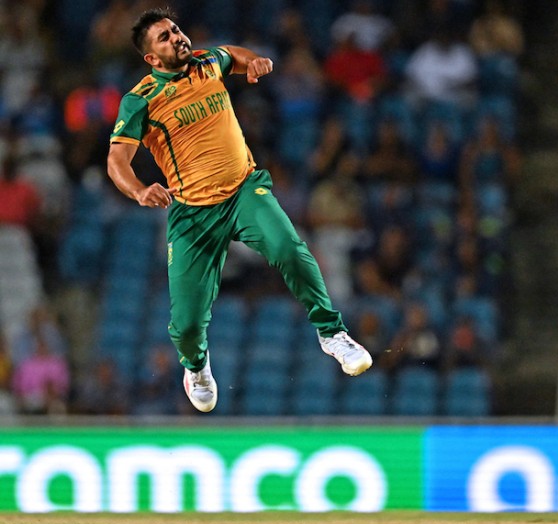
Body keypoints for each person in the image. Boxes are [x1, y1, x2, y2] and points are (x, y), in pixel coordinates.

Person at [106, 8, 372, 413]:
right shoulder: (140, 100)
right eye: (164, 37)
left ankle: (332, 334)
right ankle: (195, 366)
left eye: (176, 29)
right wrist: (140, 191)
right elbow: (116, 162)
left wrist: (255, 62)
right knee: (188, 325)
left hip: (244, 189)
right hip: (193, 213)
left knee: (289, 249)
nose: (177, 36)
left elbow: (232, 53)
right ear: (152, 59)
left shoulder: (206, 63)